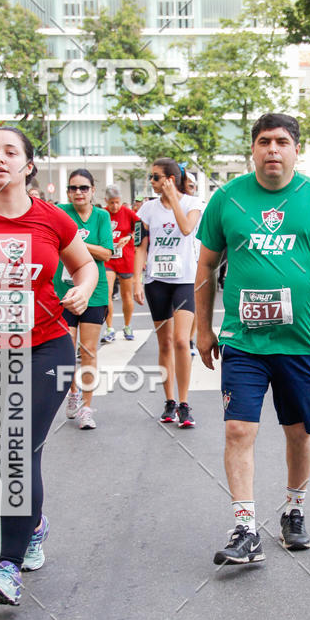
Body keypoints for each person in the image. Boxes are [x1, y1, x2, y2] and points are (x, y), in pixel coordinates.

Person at [195, 113, 310, 566]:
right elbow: (206, 266)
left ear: (296, 150)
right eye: (264, 141)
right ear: (252, 149)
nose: (273, 149)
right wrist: (202, 326)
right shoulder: (227, 198)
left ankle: (293, 509)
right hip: (244, 341)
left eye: (282, 142)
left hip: (300, 340)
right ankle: (245, 527)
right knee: (238, 429)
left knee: (298, 432)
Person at [0, 125, 97, 605]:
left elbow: (85, 265)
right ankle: (35, 524)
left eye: (9, 151)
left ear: (28, 165)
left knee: (16, 449)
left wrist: (81, 288)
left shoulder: (51, 218)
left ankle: (7, 568)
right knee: (9, 452)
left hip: (46, 346)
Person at [133, 157, 201, 427]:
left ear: (170, 180)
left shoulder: (193, 204)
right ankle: (169, 400)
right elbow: (141, 246)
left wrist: (174, 200)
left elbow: (186, 229)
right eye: (151, 177)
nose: (152, 182)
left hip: (184, 279)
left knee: (182, 341)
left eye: (156, 177)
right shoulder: (146, 210)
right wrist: (138, 279)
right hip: (156, 280)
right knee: (164, 343)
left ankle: (184, 403)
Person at [54, 169, 113, 429]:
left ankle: (87, 408)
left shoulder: (101, 216)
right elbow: (52, 243)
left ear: (92, 190)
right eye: (73, 188)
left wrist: (74, 242)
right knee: (66, 351)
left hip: (93, 291)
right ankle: (73, 393)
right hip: (63, 291)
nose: (78, 192)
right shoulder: (60, 212)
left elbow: (106, 253)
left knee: (88, 352)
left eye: (84, 188)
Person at [102, 185, 140, 342]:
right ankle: (109, 328)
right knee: (107, 293)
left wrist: (129, 237)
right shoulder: (102, 214)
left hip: (126, 258)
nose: (115, 206)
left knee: (126, 295)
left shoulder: (128, 213)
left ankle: (127, 325)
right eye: (111, 203)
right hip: (108, 259)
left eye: (117, 202)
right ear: (106, 201)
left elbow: (140, 229)